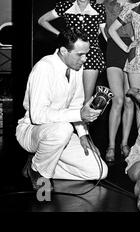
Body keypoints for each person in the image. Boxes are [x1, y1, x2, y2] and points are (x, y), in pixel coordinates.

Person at [16, 27, 108, 190]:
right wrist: (79, 114)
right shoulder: (44, 68)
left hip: (57, 133)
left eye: (86, 53)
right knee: (64, 129)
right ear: (64, 51)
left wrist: (82, 134)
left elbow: (76, 104)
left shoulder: (75, 68)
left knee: (99, 171)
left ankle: (40, 162)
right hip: (32, 131)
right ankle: (37, 168)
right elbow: (37, 116)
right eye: (80, 54)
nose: (85, 59)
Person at [38, 0, 106, 102]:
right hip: (71, 53)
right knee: (68, 97)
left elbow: (103, 32)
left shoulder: (99, 8)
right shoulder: (65, 6)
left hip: (91, 55)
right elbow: (42, 20)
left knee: (86, 99)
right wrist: (61, 35)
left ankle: (85, 122)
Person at [103, 0, 137, 163]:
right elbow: (105, 31)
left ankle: (124, 143)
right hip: (115, 50)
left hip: (131, 51)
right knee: (118, 99)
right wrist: (116, 45)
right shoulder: (107, 6)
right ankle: (111, 145)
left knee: (130, 100)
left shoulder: (135, 7)